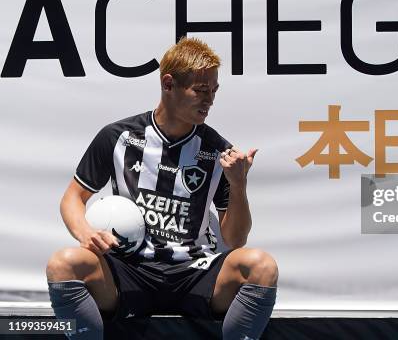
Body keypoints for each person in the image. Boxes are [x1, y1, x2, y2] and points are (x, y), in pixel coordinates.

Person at [46, 37, 278, 340]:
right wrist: (85, 233)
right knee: (62, 264)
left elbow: (235, 239)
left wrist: (239, 184)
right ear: (168, 84)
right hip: (129, 270)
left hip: (194, 273)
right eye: (200, 90)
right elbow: (72, 199)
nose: (209, 101)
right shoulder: (118, 137)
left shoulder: (218, 151)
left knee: (262, 267)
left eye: (214, 91)